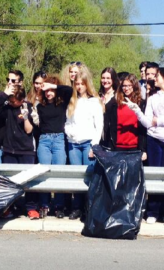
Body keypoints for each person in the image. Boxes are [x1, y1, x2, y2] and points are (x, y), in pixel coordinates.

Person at [129, 64, 164, 224]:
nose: (155, 78)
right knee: (154, 175)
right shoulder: (153, 97)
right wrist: (137, 111)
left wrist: (158, 120)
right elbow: (148, 122)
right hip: (153, 140)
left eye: (158, 75)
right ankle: (152, 211)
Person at [64, 68, 103, 220]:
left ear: (87, 84)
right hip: (73, 144)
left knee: (89, 178)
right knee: (76, 177)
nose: (79, 86)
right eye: (77, 84)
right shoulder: (72, 102)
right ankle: (77, 207)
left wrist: (94, 145)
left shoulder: (94, 101)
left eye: (82, 84)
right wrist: (69, 133)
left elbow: (98, 125)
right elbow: (67, 123)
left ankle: (89, 209)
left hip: (88, 144)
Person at [0, 77, 38, 218]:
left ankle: (31, 207)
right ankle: (9, 207)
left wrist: (26, 118)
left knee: (29, 181)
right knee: (10, 181)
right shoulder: (7, 107)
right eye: (11, 100)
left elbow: (29, 131)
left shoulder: (29, 107)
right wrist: (4, 94)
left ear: (22, 100)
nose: (12, 103)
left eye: (15, 101)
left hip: (25, 150)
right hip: (9, 149)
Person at [35, 76, 74, 218]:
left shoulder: (62, 104)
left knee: (59, 173)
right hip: (44, 140)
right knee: (44, 173)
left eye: (51, 90)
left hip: (59, 140)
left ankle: (59, 206)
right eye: (46, 90)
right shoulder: (40, 106)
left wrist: (53, 85)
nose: (48, 93)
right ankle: (44, 205)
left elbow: (69, 89)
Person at [102, 73, 146, 158]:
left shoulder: (141, 103)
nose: (126, 88)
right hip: (117, 147)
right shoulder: (115, 103)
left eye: (129, 85)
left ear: (135, 86)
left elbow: (143, 129)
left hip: (135, 148)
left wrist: (143, 150)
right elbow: (107, 123)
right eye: (124, 86)